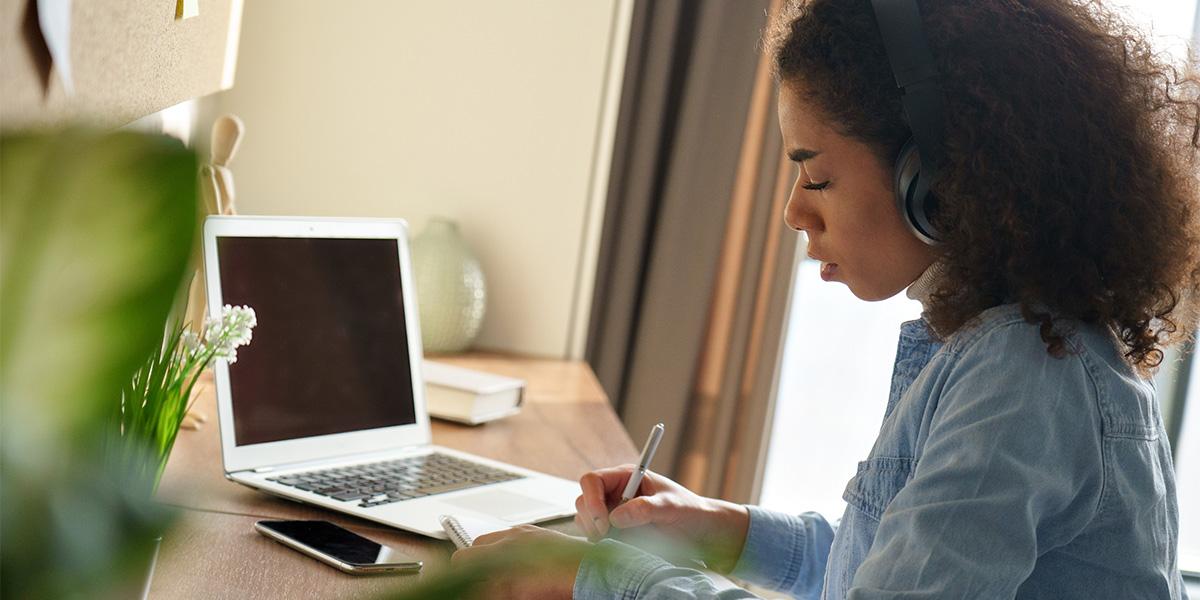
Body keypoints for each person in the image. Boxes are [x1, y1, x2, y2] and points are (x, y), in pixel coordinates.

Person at [450, 0, 1200, 597]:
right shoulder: (1000, 350)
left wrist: (596, 577)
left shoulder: (1023, 376)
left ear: (936, 181)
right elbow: (873, 566)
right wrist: (718, 529)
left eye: (816, 177)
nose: (793, 214)